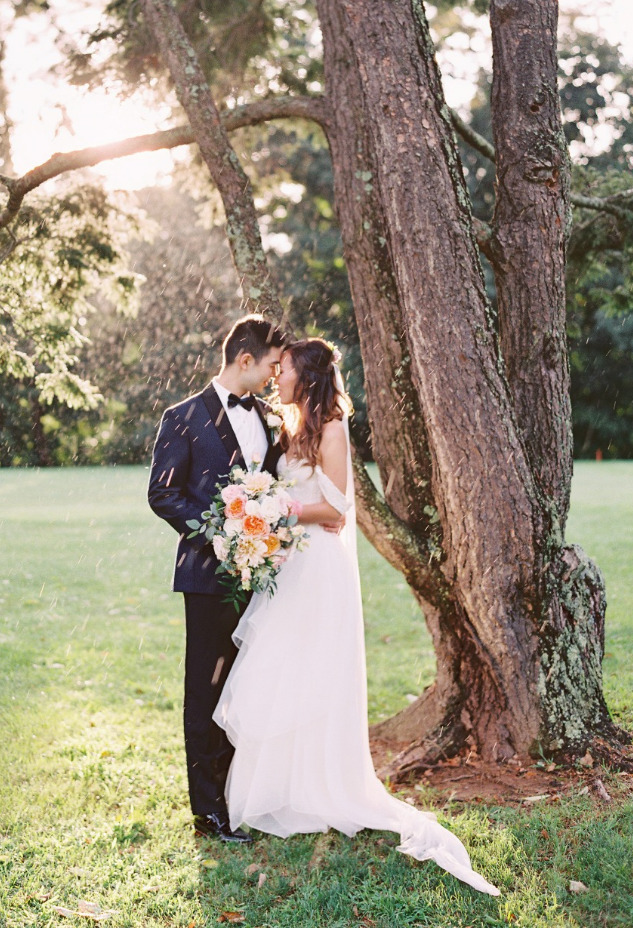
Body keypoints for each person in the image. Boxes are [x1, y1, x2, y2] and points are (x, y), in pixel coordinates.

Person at [212, 338, 501, 897]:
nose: (278, 376)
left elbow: (339, 508)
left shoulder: (333, 428)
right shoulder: (291, 426)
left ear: (309, 375)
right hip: (292, 564)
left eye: (287, 368)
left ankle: (320, 784)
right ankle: (286, 785)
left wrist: (276, 507)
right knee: (284, 670)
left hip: (318, 569)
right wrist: (263, 509)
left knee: (315, 671)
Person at [147, 315, 287, 843]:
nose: (276, 375)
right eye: (271, 364)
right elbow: (163, 494)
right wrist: (220, 533)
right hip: (208, 579)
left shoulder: (271, 419)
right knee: (206, 692)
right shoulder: (180, 417)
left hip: (264, 579)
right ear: (245, 360)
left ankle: (245, 795)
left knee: (250, 685)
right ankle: (208, 812)